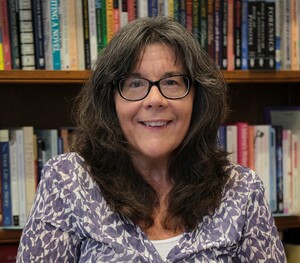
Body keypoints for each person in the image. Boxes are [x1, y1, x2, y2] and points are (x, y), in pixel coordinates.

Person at [17, 16, 286, 262]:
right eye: (134, 83)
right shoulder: (67, 182)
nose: (154, 100)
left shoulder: (241, 191)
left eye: (171, 82)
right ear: (111, 101)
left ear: (197, 98)